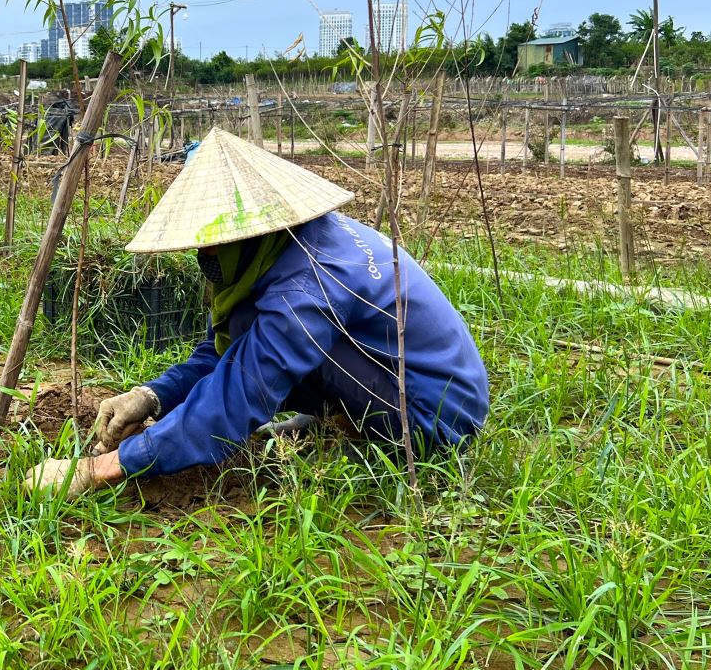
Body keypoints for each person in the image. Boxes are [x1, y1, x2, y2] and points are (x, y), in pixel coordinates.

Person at [26, 129, 489, 497]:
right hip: (393, 373)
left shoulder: (306, 288)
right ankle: (335, 421)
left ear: (243, 232)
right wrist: (152, 396)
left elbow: (237, 396)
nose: (203, 252)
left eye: (210, 240)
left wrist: (98, 468)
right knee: (270, 341)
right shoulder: (284, 248)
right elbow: (227, 347)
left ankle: (382, 438)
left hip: (437, 416)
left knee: (282, 357)